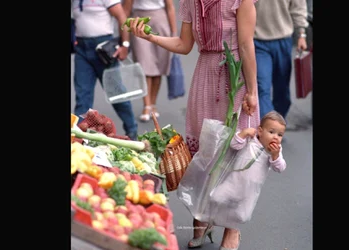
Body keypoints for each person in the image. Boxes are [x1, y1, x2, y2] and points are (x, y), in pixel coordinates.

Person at [128, 0, 259, 249]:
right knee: (203, 152)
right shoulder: (190, 2)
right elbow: (184, 45)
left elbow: (245, 44)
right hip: (205, 75)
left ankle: (232, 229)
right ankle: (201, 215)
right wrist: (150, 37)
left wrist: (251, 91)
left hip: (235, 77)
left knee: (234, 151)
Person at [71, 0, 138, 140]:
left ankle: (132, 131)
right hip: (82, 50)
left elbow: (121, 17)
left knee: (117, 94)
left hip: (103, 49)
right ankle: (78, 139)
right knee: (82, 97)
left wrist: (125, 45)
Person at [254, 0, 309, 127]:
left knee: (282, 93)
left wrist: (302, 35)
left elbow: (298, 7)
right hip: (257, 42)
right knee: (262, 89)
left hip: (283, 41)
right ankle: (269, 130)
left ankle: (276, 126)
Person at [122, 0, 177, 122]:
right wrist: (124, 40)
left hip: (160, 20)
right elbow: (125, 10)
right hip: (139, 22)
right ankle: (146, 105)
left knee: (158, 66)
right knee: (144, 65)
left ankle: (153, 104)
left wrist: (174, 33)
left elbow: (170, 7)